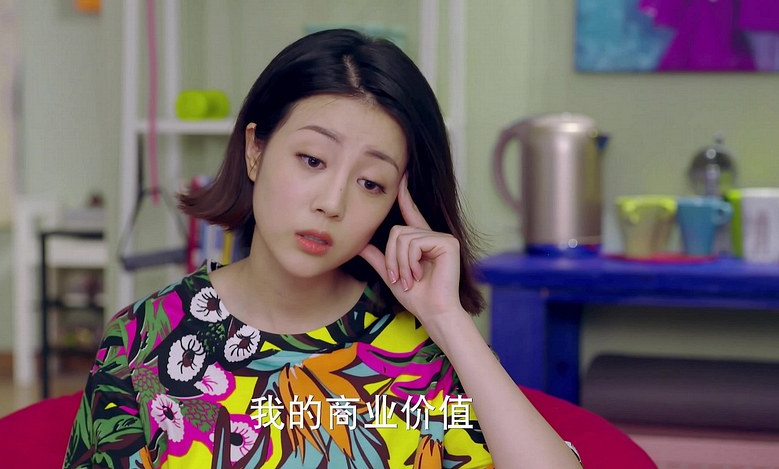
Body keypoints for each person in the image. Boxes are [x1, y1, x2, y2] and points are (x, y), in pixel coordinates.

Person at [64, 29, 581, 468]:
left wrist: (448, 319)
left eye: (371, 183)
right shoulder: (143, 339)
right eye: (312, 160)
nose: (332, 203)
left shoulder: (424, 348)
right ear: (254, 150)